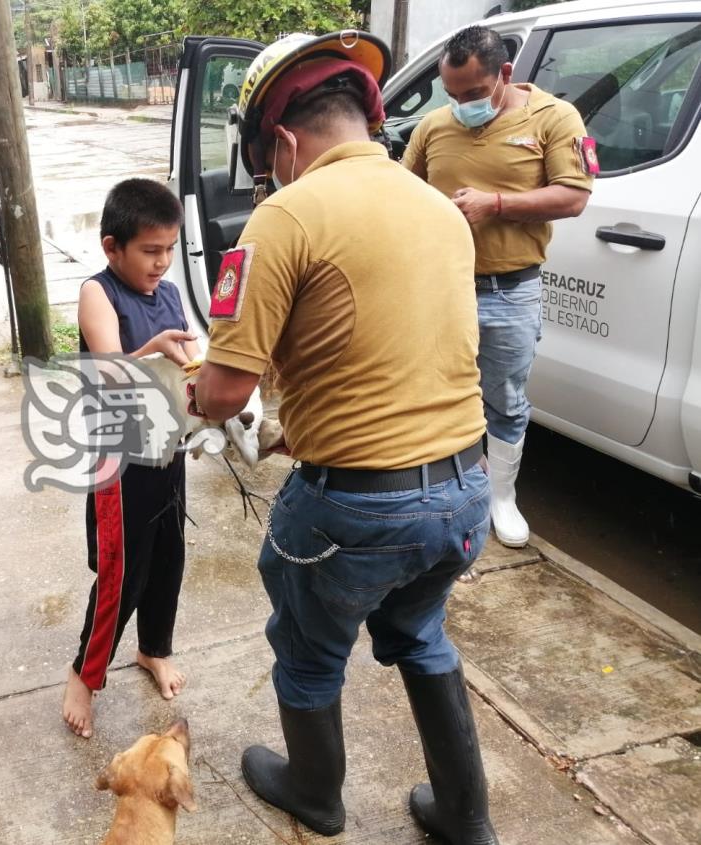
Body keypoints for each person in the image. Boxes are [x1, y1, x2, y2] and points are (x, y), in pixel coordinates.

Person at [193, 32, 500, 844]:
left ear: (283, 140)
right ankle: (466, 817)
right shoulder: (438, 207)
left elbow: (224, 393)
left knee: (305, 647)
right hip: (465, 493)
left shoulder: (284, 213)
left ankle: (314, 793)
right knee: (419, 633)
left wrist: (195, 387)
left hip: (355, 511)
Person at [403, 25, 594, 549]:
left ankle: (501, 497)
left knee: (505, 401)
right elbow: (403, 190)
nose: (462, 105)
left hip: (510, 289)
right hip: (441, 287)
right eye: (452, 95)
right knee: (432, 389)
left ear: (504, 74)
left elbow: (573, 196)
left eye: (472, 94)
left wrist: (496, 204)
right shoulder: (433, 126)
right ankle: (442, 487)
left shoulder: (554, 118)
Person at [62, 178, 200, 739]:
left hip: (168, 449)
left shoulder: (166, 293)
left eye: (169, 249)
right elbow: (112, 370)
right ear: (111, 246)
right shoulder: (98, 292)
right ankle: (83, 675)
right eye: (150, 250)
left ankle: (152, 648)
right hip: (119, 462)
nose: (162, 262)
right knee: (123, 572)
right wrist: (157, 349)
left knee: (170, 556)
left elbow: (184, 369)